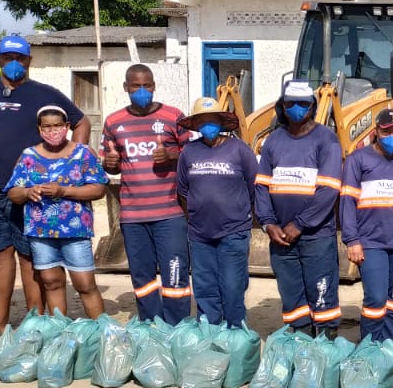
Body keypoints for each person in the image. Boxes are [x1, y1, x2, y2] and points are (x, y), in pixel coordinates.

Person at [0, 34, 87, 333]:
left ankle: (36, 321)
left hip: (33, 191)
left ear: (29, 60)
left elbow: (80, 122)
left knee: (31, 254)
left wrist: (75, 159)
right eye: (8, 57)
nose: (14, 63)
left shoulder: (44, 93)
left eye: (20, 58)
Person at [100, 64, 189, 324]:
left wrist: (173, 155)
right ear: (126, 87)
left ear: (154, 86)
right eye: (135, 86)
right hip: (133, 215)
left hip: (170, 213)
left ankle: (177, 326)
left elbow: (194, 156)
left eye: (146, 85)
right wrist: (110, 164)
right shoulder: (113, 122)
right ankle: (150, 324)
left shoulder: (174, 117)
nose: (142, 91)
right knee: (142, 277)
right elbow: (109, 160)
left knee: (175, 274)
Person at [254, 80, 343, 336]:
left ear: (312, 107)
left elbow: (328, 190)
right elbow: (262, 186)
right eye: (290, 103)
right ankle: (301, 341)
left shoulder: (327, 140)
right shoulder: (273, 140)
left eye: (303, 104)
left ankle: (326, 344)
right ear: (282, 106)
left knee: (322, 291)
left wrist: (300, 224)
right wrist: (268, 223)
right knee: (292, 292)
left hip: (315, 237)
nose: (296, 108)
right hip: (280, 236)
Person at [3, 106, 108, 316]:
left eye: (58, 126)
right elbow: (12, 192)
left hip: (75, 231)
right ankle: (60, 331)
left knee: (85, 283)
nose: (53, 131)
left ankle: (102, 332)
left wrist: (64, 191)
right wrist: (27, 192)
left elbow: (99, 189)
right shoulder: (29, 156)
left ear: (67, 126)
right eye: (47, 127)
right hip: (41, 233)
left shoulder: (83, 153)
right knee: (51, 282)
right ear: (39, 129)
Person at [176, 98, 256, 329]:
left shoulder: (239, 150)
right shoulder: (189, 152)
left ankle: (235, 333)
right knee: (204, 287)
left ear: (222, 122)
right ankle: (209, 332)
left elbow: (254, 186)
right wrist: (194, 216)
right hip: (200, 235)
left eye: (213, 120)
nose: (208, 125)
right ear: (196, 124)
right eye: (203, 121)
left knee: (232, 287)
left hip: (234, 233)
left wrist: (239, 214)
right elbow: (183, 190)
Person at [340, 109, 393, 344]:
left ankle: (387, 347)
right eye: (387, 131)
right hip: (371, 244)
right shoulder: (358, 160)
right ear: (376, 132)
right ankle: (370, 346)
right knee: (375, 298)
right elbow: (347, 202)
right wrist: (352, 240)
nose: (392, 136)